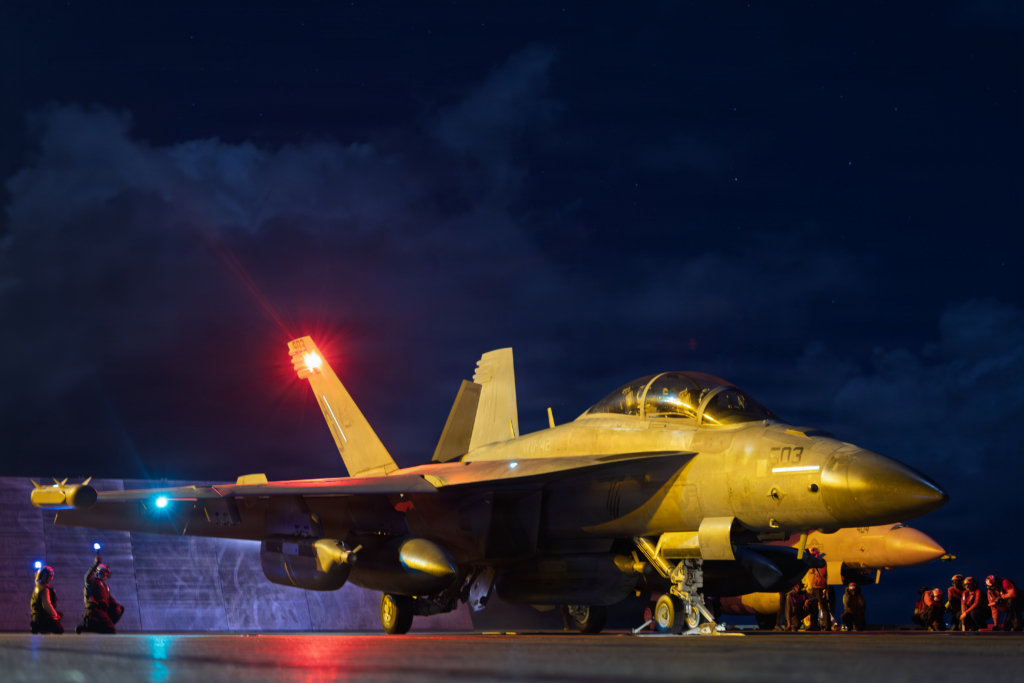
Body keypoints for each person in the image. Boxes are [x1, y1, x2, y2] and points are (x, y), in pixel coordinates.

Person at [75, 554, 123, 634]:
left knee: (120, 608)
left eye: (106, 573)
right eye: (103, 572)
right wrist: (95, 564)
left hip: (103, 610)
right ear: (98, 572)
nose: (105, 575)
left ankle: (102, 625)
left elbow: (110, 598)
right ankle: (88, 624)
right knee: (111, 630)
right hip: (95, 610)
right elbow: (86, 577)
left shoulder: (105, 586)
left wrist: (116, 605)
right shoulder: (92, 582)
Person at [30, 566, 63, 634]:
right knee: (60, 630)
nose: (51, 577)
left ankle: (38, 624)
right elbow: (46, 605)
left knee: (60, 614)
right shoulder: (44, 589)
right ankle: (40, 627)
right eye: (50, 575)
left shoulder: (38, 586)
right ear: (45, 576)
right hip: (41, 616)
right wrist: (55, 616)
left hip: (36, 615)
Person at [806, 548, 833, 630]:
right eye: (812, 554)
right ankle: (813, 625)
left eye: (815, 554)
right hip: (810, 587)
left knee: (823, 607)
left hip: (819, 588)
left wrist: (816, 561)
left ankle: (827, 625)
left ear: (818, 554)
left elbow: (822, 573)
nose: (813, 556)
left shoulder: (822, 562)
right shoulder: (808, 562)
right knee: (812, 608)